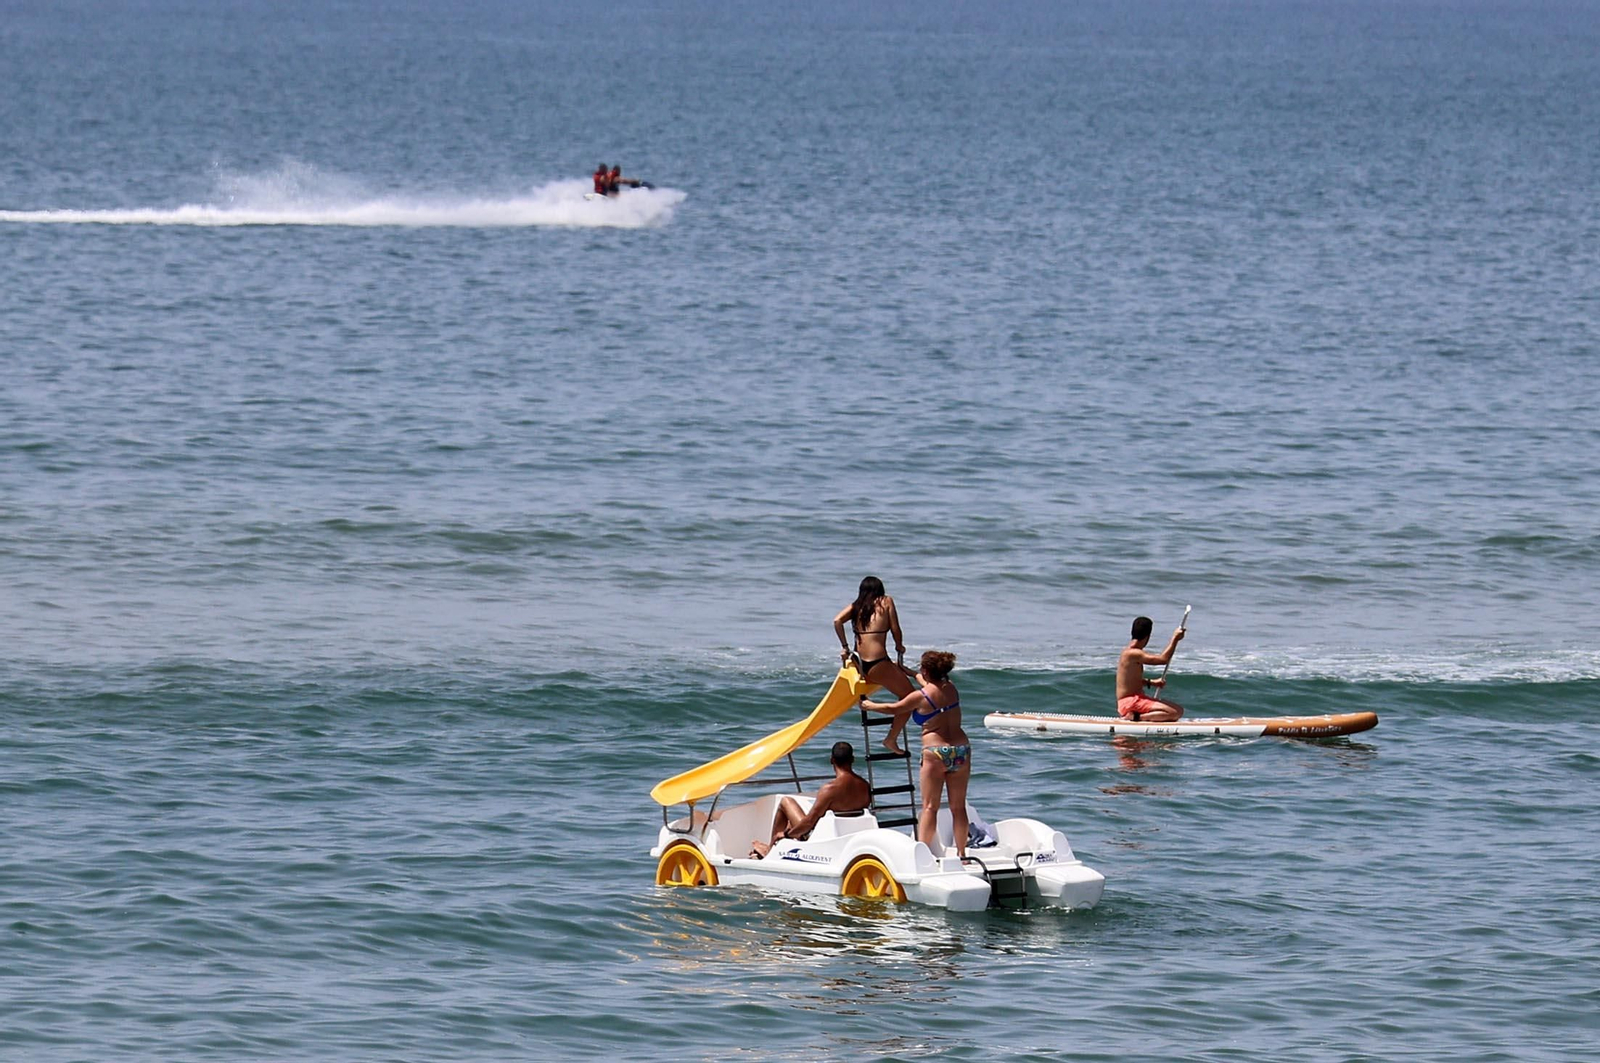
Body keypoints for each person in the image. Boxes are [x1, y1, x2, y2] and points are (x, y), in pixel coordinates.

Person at [860, 650, 971, 859]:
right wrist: (912, 673)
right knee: (958, 807)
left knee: (930, 807)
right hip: (961, 749)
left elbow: (893, 708)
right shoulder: (951, 689)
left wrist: (870, 705)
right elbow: (930, 684)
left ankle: (925, 855)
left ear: (926, 670)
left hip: (935, 752)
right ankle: (963, 854)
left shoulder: (920, 696)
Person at [832, 577, 917, 749]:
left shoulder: (857, 605)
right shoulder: (886, 601)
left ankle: (870, 703)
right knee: (910, 699)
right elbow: (895, 629)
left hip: (859, 664)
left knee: (890, 674)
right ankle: (890, 738)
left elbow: (837, 620)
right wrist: (899, 645)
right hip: (877, 662)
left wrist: (845, 646)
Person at [750, 741, 871, 857]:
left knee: (785, 802)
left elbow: (808, 824)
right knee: (795, 822)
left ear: (831, 760)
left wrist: (785, 835)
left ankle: (771, 851)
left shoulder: (829, 789)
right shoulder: (865, 786)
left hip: (822, 839)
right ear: (853, 759)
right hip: (848, 838)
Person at [1116, 615, 1186, 722]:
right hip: (1131, 702)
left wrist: (1152, 683)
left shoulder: (1127, 652)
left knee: (1178, 710)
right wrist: (1175, 639)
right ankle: (1135, 717)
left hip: (1133, 700)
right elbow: (1163, 659)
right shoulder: (1133, 653)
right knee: (1175, 712)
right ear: (1147, 636)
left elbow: (1131, 681)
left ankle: (1137, 715)